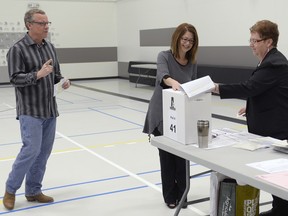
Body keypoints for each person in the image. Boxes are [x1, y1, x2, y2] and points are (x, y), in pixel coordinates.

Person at [213, 20, 288, 216]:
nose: (251, 44)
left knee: (276, 175)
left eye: (255, 40)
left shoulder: (274, 63)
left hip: (277, 130)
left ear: (268, 42)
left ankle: (282, 210)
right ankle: (280, 209)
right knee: (273, 178)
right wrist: (251, 105)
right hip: (270, 126)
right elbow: (267, 90)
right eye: (251, 40)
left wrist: (216, 88)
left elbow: (250, 87)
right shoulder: (268, 61)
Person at [3, 9, 71, 210]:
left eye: (47, 22)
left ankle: (33, 190)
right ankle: (10, 190)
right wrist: (37, 74)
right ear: (29, 25)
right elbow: (15, 79)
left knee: (43, 153)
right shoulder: (17, 49)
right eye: (42, 23)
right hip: (30, 110)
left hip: (49, 109)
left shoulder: (50, 47)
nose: (46, 26)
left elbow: (56, 73)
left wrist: (63, 81)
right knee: (30, 150)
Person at [143, 23, 199, 209]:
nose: (187, 43)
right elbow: (162, 76)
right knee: (167, 157)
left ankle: (183, 193)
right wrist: (173, 82)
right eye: (184, 39)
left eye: (191, 40)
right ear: (177, 38)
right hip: (162, 114)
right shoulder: (164, 56)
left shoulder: (192, 63)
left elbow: (194, 87)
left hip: (182, 116)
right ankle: (170, 196)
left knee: (182, 158)